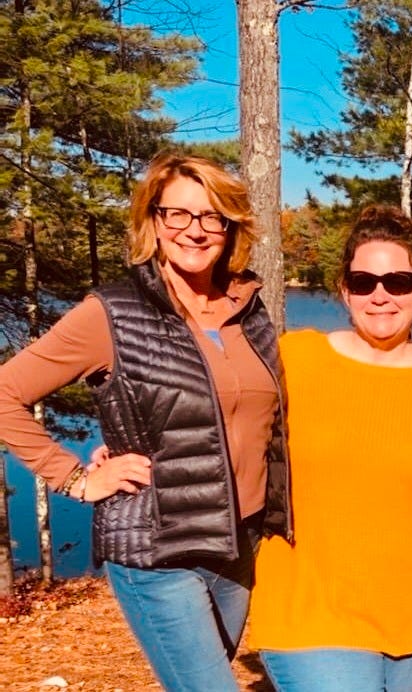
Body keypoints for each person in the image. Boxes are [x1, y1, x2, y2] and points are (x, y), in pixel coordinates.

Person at [0, 153, 292, 691]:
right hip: (156, 549)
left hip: (238, 545)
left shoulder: (248, 309)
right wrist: (75, 478)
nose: (195, 231)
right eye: (177, 214)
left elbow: (266, 422)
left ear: (230, 228)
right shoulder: (114, 312)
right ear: (153, 221)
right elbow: (6, 393)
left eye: (212, 217)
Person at [248, 205, 412, 692]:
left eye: (399, 282)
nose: (381, 295)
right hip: (310, 610)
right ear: (345, 290)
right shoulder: (293, 359)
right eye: (364, 282)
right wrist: (129, 453)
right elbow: (214, 417)